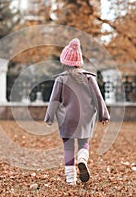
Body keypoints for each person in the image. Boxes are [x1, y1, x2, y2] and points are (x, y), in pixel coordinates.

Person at [44, 38, 110, 185]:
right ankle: (82, 158)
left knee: (68, 147)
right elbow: (98, 97)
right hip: (85, 118)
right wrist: (103, 114)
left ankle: (70, 179)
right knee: (84, 142)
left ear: (65, 62)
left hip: (67, 119)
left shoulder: (61, 79)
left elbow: (54, 100)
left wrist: (49, 117)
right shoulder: (89, 78)